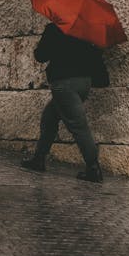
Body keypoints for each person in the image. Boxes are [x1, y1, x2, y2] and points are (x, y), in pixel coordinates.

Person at [21, 23, 109, 183]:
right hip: (84, 82)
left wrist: (38, 47)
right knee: (49, 117)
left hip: (64, 84)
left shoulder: (55, 28)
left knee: (78, 125)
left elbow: (41, 55)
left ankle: (93, 168)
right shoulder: (86, 29)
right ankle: (38, 158)